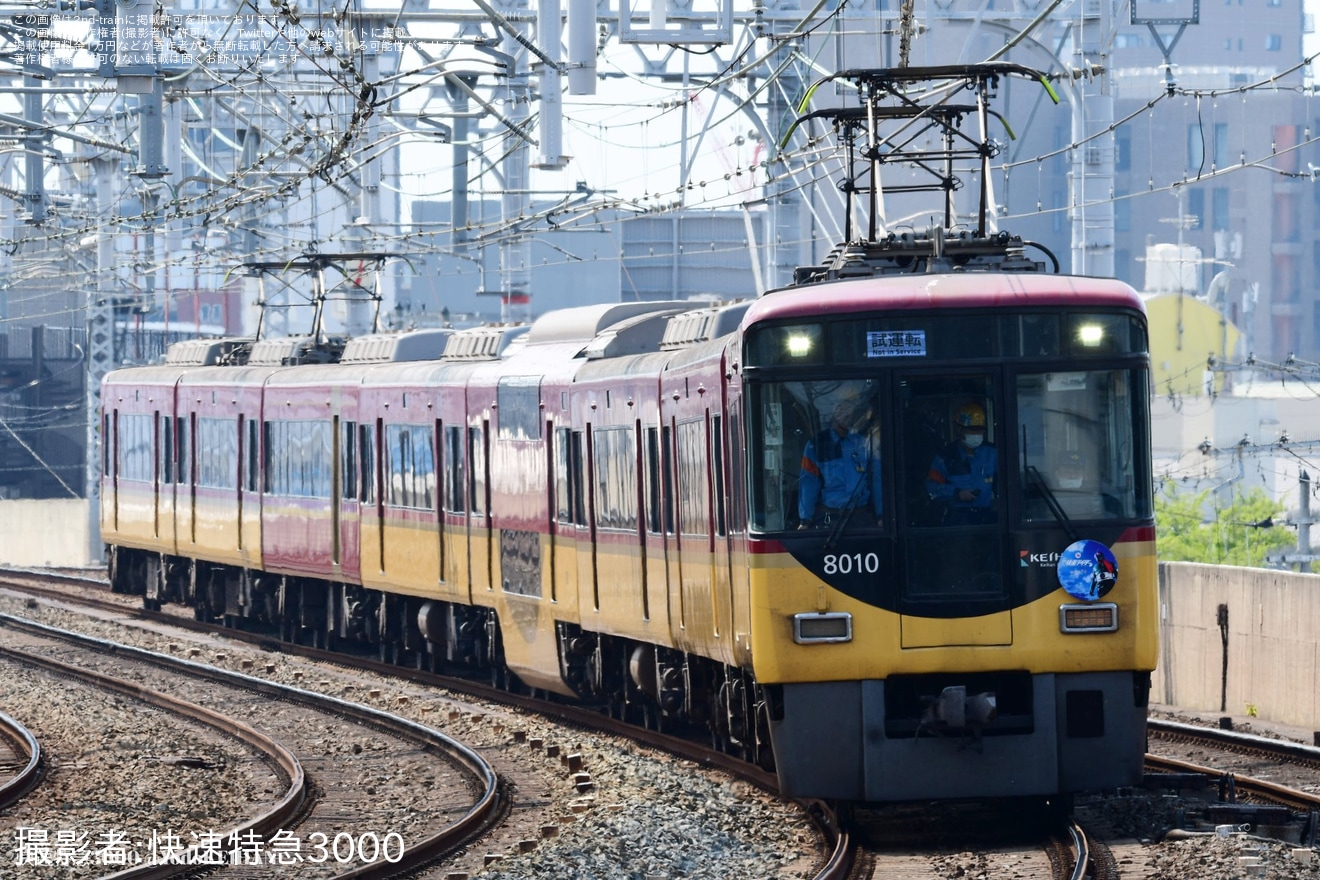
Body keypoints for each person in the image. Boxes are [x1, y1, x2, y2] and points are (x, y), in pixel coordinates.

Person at [798, 394, 882, 528]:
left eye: (849, 408)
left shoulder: (865, 443)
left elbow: (877, 481)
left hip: (861, 517)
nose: (845, 412)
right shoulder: (817, 445)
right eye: (840, 407)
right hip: (830, 519)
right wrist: (805, 520)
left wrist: (881, 515)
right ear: (833, 410)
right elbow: (809, 483)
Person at [926, 402, 997, 523]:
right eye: (971, 429)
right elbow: (932, 487)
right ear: (959, 429)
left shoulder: (993, 453)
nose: (976, 434)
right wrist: (956, 493)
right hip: (958, 520)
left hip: (987, 518)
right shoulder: (945, 456)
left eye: (979, 430)